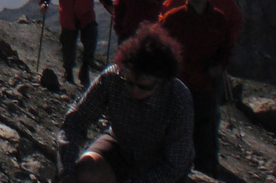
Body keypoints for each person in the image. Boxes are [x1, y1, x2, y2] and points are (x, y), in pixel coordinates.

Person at [57, 22, 193, 183]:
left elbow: (174, 166)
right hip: (119, 146)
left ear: (163, 80)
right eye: (129, 82)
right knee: (87, 173)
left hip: (159, 164)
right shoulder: (113, 78)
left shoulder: (178, 99)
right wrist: (67, 171)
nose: (135, 90)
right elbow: (76, 121)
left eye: (144, 86)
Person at [158, 0, 232, 174]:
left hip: (205, 82)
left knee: (204, 126)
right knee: (175, 124)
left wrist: (220, 65)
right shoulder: (174, 18)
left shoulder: (219, 20)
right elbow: (157, 41)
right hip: (178, 82)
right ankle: (172, 165)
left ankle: (205, 167)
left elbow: (226, 48)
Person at [40, 0, 114, 86]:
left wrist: (109, 6)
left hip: (87, 16)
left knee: (90, 42)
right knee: (67, 46)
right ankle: (68, 71)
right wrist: (44, 2)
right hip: (68, 17)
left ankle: (85, 69)